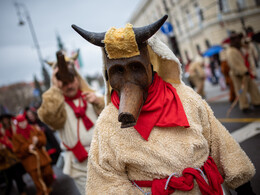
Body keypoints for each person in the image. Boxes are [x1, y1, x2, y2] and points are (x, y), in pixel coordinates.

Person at [72, 15, 256, 194]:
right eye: (118, 71)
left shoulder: (185, 97)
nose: (128, 79)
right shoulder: (107, 122)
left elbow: (222, 145)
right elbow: (105, 181)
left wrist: (243, 186)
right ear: (109, 75)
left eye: (136, 68)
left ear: (150, 66)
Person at [37, 50, 104, 195]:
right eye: (64, 83)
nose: (69, 86)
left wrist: (98, 102)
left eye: (72, 80)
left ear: (78, 79)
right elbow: (48, 115)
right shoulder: (57, 106)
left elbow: (113, 117)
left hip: (104, 156)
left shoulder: (92, 97)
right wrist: (55, 86)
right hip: (79, 165)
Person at [12, 114, 54, 195]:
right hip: (30, 162)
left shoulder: (34, 129)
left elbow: (44, 140)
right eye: (20, 123)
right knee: (37, 180)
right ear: (18, 124)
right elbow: (17, 152)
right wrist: (27, 148)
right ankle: (43, 191)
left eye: (24, 121)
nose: (23, 124)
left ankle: (47, 187)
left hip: (42, 158)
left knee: (48, 173)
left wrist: (38, 140)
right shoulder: (16, 136)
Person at [226, 32, 260, 112]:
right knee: (242, 92)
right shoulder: (231, 51)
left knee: (253, 88)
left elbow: (247, 48)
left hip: (246, 73)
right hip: (239, 75)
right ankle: (244, 106)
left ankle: (257, 102)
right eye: (237, 39)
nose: (239, 41)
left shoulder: (237, 48)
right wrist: (244, 71)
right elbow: (235, 64)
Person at [0, 123, 26, 195]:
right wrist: (2, 150)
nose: (2, 130)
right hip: (6, 165)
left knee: (18, 177)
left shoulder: (5, 138)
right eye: (1, 129)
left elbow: (12, 148)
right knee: (9, 182)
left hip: (14, 162)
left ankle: (22, 191)